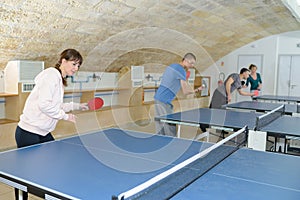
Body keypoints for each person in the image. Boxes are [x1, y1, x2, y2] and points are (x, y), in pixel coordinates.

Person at [14, 49, 88, 200]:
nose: (76, 68)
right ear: (63, 61)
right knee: (26, 174)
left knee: (54, 164)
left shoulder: (59, 80)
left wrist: (77, 106)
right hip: (28, 132)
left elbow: (55, 105)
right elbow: (45, 106)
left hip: (42, 132)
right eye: (74, 64)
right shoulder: (51, 75)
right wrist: (65, 117)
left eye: (78, 65)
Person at [154, 53, 203, 137]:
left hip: (158, 97)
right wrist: (197, 90)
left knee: (160, 126)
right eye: (191, 63)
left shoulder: (172, 66)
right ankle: (173, 146)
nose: (192, 66)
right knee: (170, 126)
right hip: (164, 101)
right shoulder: (181, 70)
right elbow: (185, 91)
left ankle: (160, 145)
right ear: (185, 60)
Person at [200, 68, 255, 134]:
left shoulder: (239, 82)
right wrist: (229, 95)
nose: (248, 76)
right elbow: (228, 83)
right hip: (219, 93)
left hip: (224, 96)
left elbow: (241, 92)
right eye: (248, 74)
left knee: (222, 112)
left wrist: (251, 94)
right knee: (214, 111)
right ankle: (203, 124)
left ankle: (220, 129)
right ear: (244, 73)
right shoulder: (235, 76)